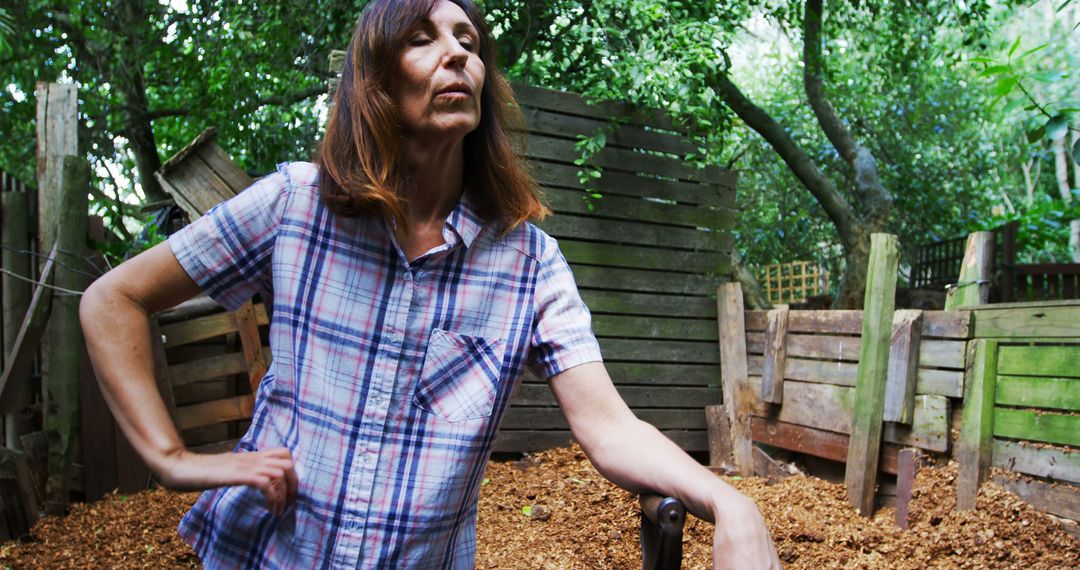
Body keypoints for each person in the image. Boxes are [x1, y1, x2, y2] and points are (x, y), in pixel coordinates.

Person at [80, 0, 781, 568]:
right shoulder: (295, 206)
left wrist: (731, 505)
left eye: (469, 41)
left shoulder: (528, 263)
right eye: (423, 37)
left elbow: (609, 427)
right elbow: (113, 298)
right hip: (263, 554)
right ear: (376, 81)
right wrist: (171, 460)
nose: (458, 53)